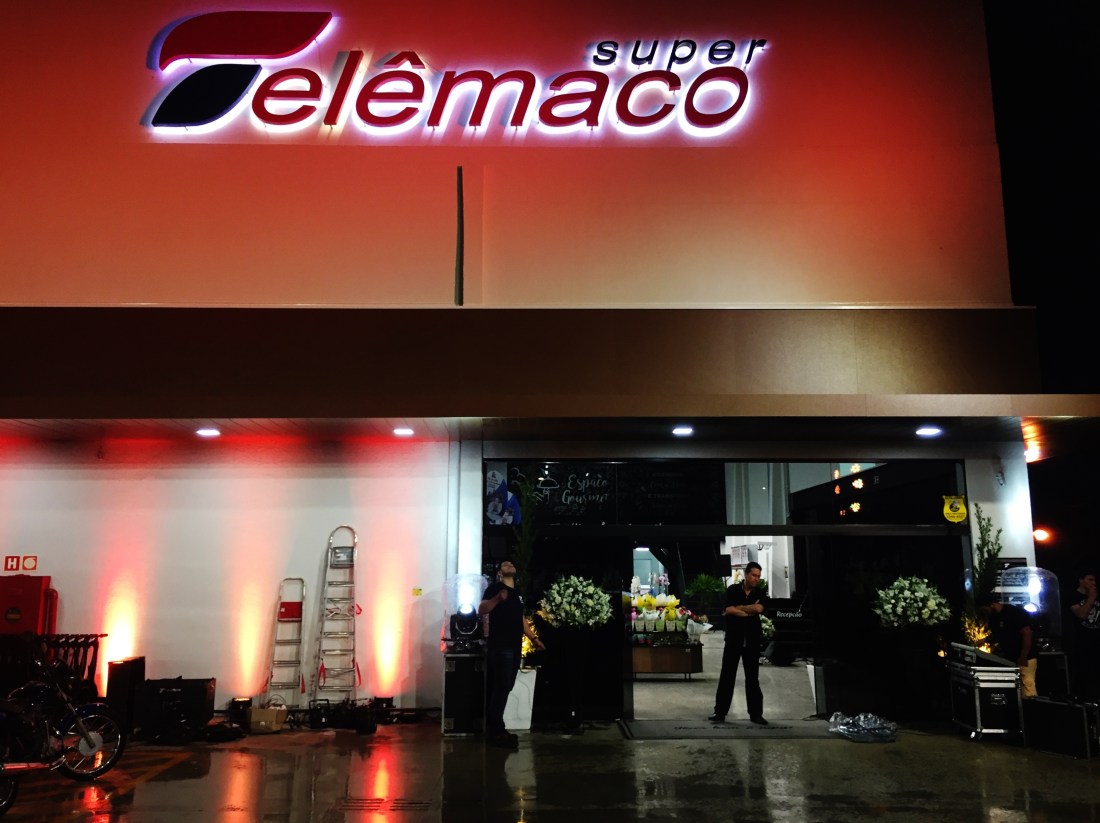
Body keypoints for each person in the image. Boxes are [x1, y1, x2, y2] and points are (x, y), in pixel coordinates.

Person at [479, 560, 544, 748]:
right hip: (500, 646)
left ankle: (496, 728)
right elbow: (482, 609)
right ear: (500, 572)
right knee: (501, 687)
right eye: (505, 564)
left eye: (511, 563)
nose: (509, 564)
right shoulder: (494, 589)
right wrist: (497, 599)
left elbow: (521, 619)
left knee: (506, 686)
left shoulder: (518, 594)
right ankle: (496, 730)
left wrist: (534, 638)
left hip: (515, 647)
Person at [709, 561, 768, 725]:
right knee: (727, 676)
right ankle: (720, 712)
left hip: (752, 641)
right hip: (733, 639)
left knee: (752, 678)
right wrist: (748, 610)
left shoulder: (761, 592)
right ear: (746, 574)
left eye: (758, 576)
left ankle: (756, 714)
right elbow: (728, 609)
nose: (756, 579)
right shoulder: (733, 590)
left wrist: (740, 609)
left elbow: (759, 609)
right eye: (754, 575)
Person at [977, 592, 1038, 698]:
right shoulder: (993, 618)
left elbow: (1027, 633)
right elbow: (997, 635)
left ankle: (1030, 706)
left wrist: (1023, 656)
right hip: (1010, 658)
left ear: (992, 605)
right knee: (1015, 690)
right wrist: (984, 640)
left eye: (985, 610)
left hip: (1026, 657)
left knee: (1027, 687)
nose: (985, 613)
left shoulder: (1014, 612)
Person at [1066, 570, 1099, 701]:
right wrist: (1091, 598)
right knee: (1084, 676)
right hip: (1081, 643)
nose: (1093, 583)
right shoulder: (1073, 596)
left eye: (1094, 580)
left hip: (1096, 642)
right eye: (1090, 580)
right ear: (1081, 580)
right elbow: (1081, 614)